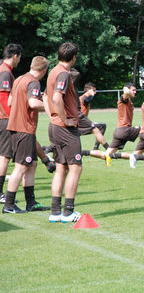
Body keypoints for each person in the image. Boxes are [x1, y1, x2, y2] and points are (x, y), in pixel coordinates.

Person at [2, 56, 50, 213]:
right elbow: (33, 103)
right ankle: (9, 205)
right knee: (21, 167)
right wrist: (51, 107)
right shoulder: (33, 82)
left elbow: (9, 102)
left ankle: (31, 202)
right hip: (24, 128)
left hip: (16, 127)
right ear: (44, 70)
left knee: (32, 164)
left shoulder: (19, 79)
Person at [46, 42, 83, 223]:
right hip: (65, 128)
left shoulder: (53, 71)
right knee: (76, 167)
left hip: (54, 126)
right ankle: (68, 212)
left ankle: (55, 211)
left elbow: (46, 97)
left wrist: (53, 117)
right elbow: (55, 97)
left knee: (61, 167)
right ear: (73, 57)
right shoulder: (63, 73)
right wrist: (65, 119)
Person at [0, 44, 22, 204]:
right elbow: (4, 98)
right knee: (5, 156)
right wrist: (12, 117)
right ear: (15, 55)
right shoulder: (5, 72)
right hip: (4, 119)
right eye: (20, 57)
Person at [104, 83, 139, 165]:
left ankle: (87, 153)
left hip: (119, 131)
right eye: (133, 90)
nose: (135, 92)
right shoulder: (123, 99)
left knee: (108, 153)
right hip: (124, 130)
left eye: (135, 90)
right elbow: (126, 93)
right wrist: (126, 89)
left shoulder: (129, 101)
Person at [78, 81, 108, 150]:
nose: (95, 92)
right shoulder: (84, 97)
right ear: (89, 90)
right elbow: (87, 101)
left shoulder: (81, 97)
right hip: (81, 123)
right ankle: (107, 149)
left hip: (80, 123)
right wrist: (91, 94)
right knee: (99, 128)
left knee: (102, 126)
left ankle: (96, 148)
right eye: (94, 90)